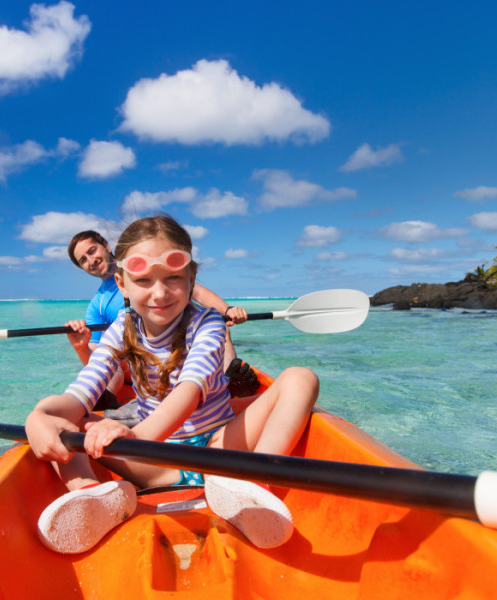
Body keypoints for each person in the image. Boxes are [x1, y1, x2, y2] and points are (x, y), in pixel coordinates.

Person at [26, 214, 320, 554]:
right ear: (122, 283)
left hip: (218, 450)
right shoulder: (121, 326)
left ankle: (257, 484)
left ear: (192, 276)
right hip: (157, 463)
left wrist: (133, 438)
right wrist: (39, 416)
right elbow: (82, 390)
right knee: (66, 422)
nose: (160, 292)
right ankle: (89, 495)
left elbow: (190, 392)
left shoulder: (208, 324)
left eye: (174, 278)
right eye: (144, 280)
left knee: (301, 378)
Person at [64, 230, 260, 403]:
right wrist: (81, 348)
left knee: (219, 326)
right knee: (114, 351)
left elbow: (196, 291)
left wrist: (227, 310)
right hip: (141, 362)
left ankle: (229, 381)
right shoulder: (96, 306)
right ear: (122, 285)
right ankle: (106, 399)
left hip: (182, 345)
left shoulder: (149, 266)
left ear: (106, 246)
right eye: (83, 260)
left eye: (92, 251)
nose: (91, 260)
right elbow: (97, 354)